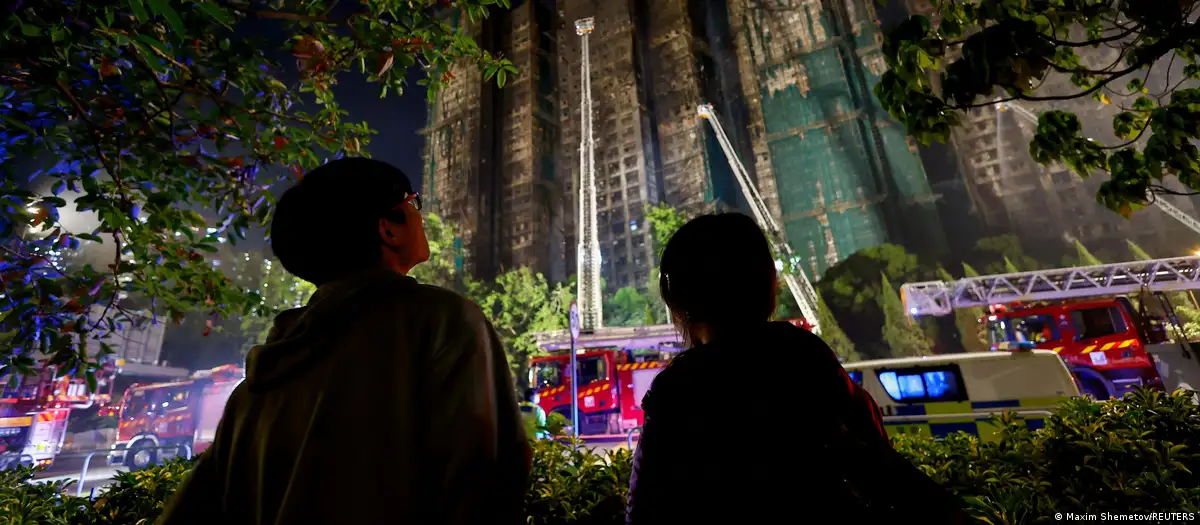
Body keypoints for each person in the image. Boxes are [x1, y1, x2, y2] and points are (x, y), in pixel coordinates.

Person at [159, 157, 529, 525]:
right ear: (389, 228)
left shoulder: (257, 388)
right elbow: (486, 480)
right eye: (413, 203)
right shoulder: (441, 323)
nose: (420, 214)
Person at [625, 213, 970, 525]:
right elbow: (869, 447)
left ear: (676, 298)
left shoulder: (679, 388)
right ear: (768, 286)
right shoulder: (802, 354)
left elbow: (644, 507)